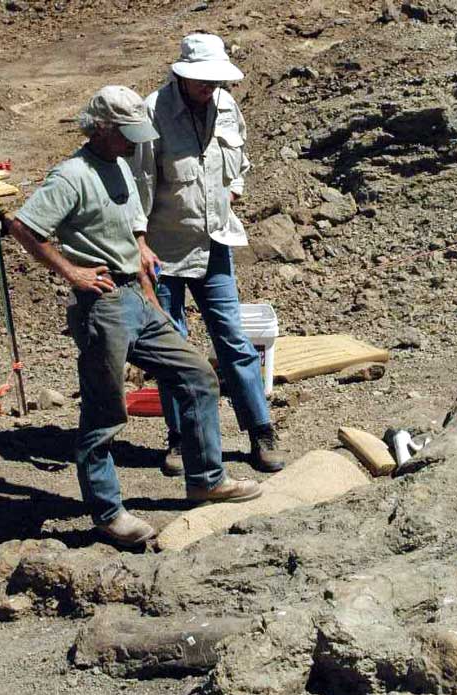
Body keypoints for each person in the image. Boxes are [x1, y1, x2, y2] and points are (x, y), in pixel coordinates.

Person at [9, 85, 261, 547]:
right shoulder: (71, 176)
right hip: (102, 305)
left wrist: (142, 252)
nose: (134, 142)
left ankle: (205, 478)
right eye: (126, 134)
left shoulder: (121, 163)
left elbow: (129, 222)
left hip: (137, 296)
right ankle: (108, 513)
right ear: (101, 128)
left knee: (197, 373)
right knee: (105, 413)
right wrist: (73, 272)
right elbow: (23, 225)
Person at [131, 33, 286, 477]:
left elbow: (240, 161)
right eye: (203, 80)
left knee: (233, 339)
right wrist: (139, 242)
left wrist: (231, 192)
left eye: (215, 80)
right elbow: (140, 183)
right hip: (163, 250)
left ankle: (260, 431)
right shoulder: (152, 111)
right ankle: (182, 439)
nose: (210, 87)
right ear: (181, 74)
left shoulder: (226, 105)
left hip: (215, 242)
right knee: (173, 347)